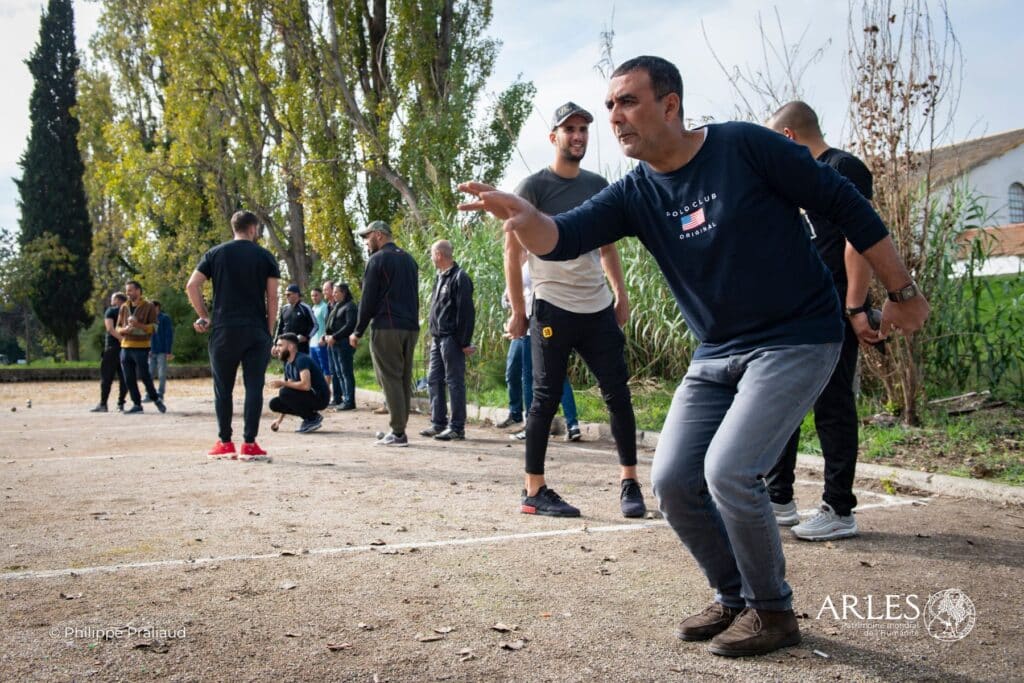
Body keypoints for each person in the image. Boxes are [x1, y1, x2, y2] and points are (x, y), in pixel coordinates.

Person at [459, 56, 928, 658]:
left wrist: (902, 293)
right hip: (718, 351)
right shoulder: (634, 192)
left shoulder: (744, 147)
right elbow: (564, 236)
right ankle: (734, 595)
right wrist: (524, 217)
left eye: (627, 101)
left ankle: (773, 611)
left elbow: (845, 204)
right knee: (673, 479)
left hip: (797, 336)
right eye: (609, 107)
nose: (614, 117)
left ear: (670, 104)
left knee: (729, 470)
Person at [504, 101, 644, 519]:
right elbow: (512, 254)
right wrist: (517, 310)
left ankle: (630, 483)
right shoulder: (533, 188)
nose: (578, 136)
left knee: (618, 394)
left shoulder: (599, 184)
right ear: (554, 137)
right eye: (570, 130)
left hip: (597, 306)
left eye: (584, 129)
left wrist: (620, 293)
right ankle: (534, 491)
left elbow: (607, 247)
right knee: (544, 398)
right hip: (553, 307)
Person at [766, 101, 877, 541]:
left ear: (789, 137)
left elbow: (860, 239)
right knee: (785, 399)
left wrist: (855, 307)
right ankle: (779, 497)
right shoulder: (797, 181)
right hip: (802, 308)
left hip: (835, 307)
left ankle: (839, 508)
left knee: (832, 404)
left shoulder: (843, 167)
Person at [186, 209, 280, 460]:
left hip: (223, 329)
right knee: (253, 387)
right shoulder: (265, 257)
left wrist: (205, 316)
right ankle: (249, 444)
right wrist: (269, 329)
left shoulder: (215, 254)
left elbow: (192, 285)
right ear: (252, 229)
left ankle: (224, 442)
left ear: (234, 228)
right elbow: (272, 297)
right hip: (255, 329)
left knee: (223, 388)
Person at [349, 220, 419, 447]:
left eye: (367, 237)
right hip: (410, 327)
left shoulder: (377, 259)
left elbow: (368, 298)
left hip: (387, 326)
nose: (366, 242)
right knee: (402, 378)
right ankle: (398, 428)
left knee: (389, 378)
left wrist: (358, 330)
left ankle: (398, 432)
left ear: (379, 235)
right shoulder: (409, 259)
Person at [502, 254, 582, 443]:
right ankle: (572, 424)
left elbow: (519, 294)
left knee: (531, 378)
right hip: (556, 323)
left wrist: (516, 312)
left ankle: (534, 426)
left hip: (536, 327)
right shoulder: (557, 258)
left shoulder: (531, 264)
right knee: (558, 376)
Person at [420, 240, 476, 441]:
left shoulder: (460, 278)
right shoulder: (439, 277)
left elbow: (466, 313)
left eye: (432, 254)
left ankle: (457, 427)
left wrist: (464, 341)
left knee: (454, 382)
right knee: (434, 380)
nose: (431, 258)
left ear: (439, 255)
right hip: (437, 339)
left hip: (452, 339)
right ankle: (438, 423)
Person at [117, 280, 166, 414]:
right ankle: (137, 405)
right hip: (125, 347)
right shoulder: (123, 307)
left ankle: (156, 399)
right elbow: (117, 327)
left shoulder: (149, 306)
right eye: (127, 291)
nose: (128, 293)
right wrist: (124, 330)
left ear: (138, 291)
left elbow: (154, 327)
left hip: (141, 347)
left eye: (130, 290)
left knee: (145, 376)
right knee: (129, 378)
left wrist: (138, 325)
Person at [268, 332, 330, 435]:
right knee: (275, 404)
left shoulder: (301, 360)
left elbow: (306, 386)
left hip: (320, 398)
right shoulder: (288, 364)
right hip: (308, 396)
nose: (276, 349)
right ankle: (311, 416)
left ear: (291, 346)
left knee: (284, 391)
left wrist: (282, 383)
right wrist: (279, 421)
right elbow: (289, 394)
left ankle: (312, 419)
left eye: (280, 345)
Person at [90, 292, 128, 412]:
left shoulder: (111, 311)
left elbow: (110, 328)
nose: (111, 301)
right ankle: (121, 403)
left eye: (112, 299)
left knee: (107, 378)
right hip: (126, 348)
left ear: (117, 300)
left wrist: (120, 339)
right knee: (125, 378)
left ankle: (103, 404)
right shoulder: (130, 312)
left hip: (112, 348)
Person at [325, 283, 358, 410]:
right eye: (333, 292)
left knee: (346, 372)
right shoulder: (337, 306)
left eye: (336, 292)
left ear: (344, 292)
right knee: (338, 372)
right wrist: (327, 336)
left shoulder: (350, 306)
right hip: (333, 343)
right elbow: (331, 324)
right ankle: (342, 399)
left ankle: (350, 401)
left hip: (343, 343)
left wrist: (335, 336)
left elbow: (349, 326)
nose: (333, 294)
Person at [322, 279, 345, 404]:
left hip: (338, 342)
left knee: (339, 371)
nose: (324, 292)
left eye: (326, 289)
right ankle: (336, 397)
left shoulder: (339, 306)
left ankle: (341, 397)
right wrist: (324, 336)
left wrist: (334, 337)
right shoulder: (328, 306)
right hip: (329, 342)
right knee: (333, 370)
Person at [276, 284, 316, 355]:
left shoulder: (305, 308)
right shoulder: (284, 309)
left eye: (289, 294)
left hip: (301, 347)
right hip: (285, 346)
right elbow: (280, 327)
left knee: (301, 365)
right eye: (286, 295)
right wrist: (276, 343)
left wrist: (306, 337)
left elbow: (315, 325)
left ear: (296, 294)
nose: (286, 296)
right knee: (287, 366)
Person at [147, 300, 174, 402]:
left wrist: (168, 351)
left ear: (158, 307)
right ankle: (149, 394)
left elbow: (168, 335)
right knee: (149, 373)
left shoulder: (165, 318)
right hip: (151, 350)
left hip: (162, 350)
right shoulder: (148, 319)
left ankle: (160, 394)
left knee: (162, 373)